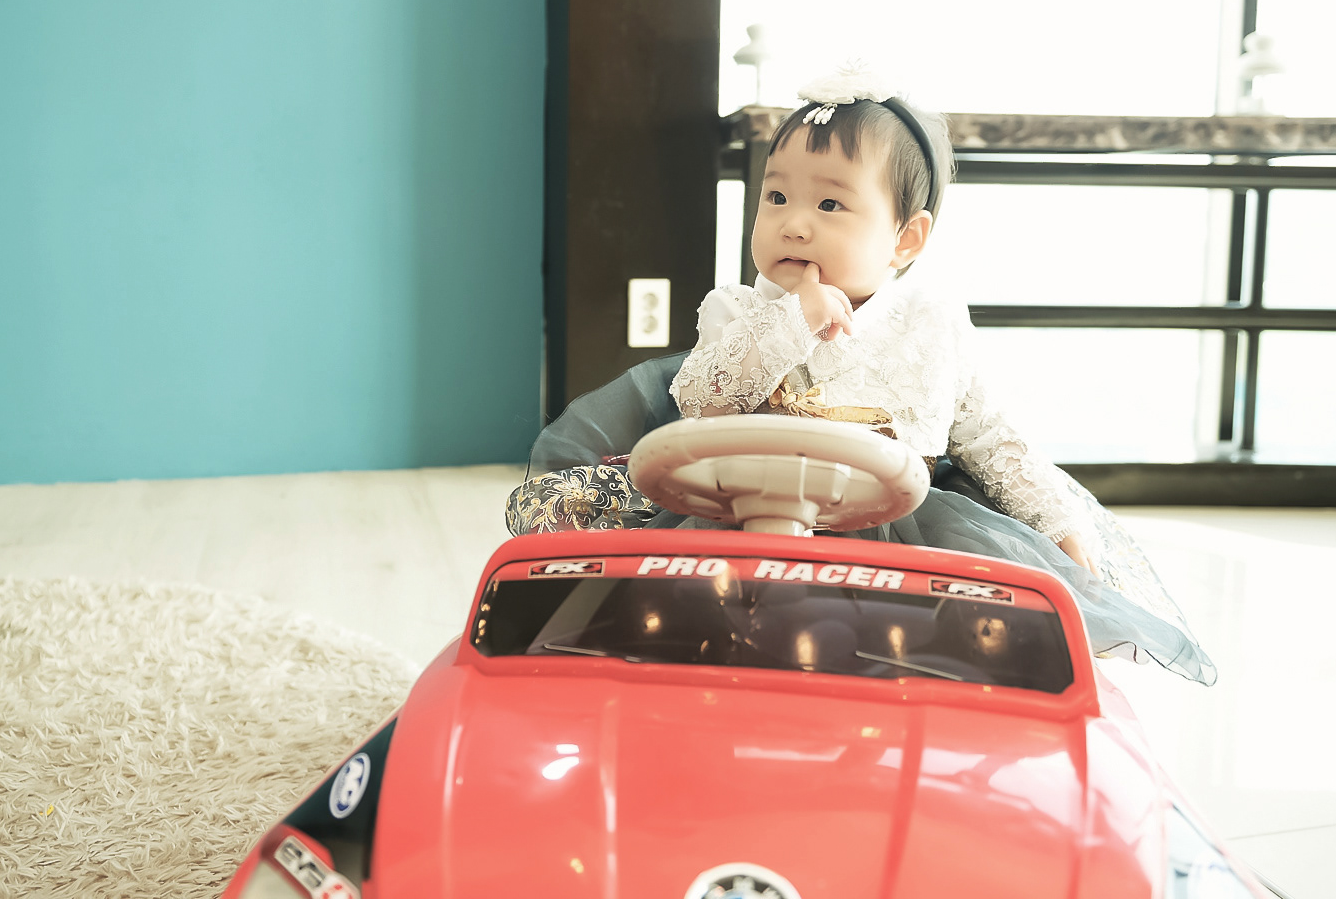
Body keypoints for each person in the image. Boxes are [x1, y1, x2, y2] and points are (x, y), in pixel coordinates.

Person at [508, 64, 1215, 684]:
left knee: (972, 630)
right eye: (776, 198)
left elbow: (990, 437)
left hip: (897, 521)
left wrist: (1055, 522)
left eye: (830, 205)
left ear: (905, 238)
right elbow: (701, 400)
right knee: (625, 580)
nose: (794, 224)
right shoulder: (741, 309)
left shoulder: (931, 324)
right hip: (742, 509)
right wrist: (793, 320)